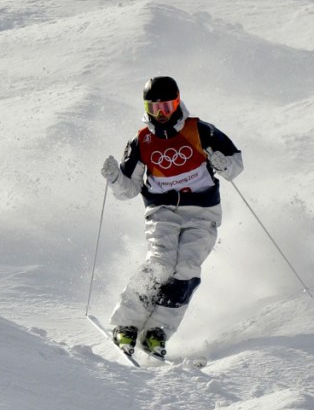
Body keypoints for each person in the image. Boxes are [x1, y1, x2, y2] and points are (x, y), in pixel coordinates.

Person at [100, 75, 243, 358]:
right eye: (154, 108)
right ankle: (126, 324)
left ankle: (157, 331)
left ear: (177, 102)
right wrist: (115, 177)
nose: (161, 114)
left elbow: (235, 166)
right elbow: (128, 190)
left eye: (167, 106)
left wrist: (222, 163)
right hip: (163, 212)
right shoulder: (142, 141)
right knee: (161, 264)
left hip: (202, 214)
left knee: (186, 269)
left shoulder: (200, 131)